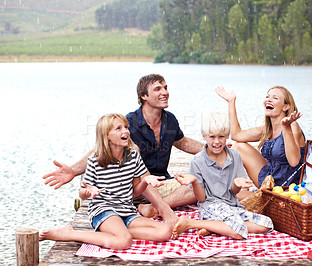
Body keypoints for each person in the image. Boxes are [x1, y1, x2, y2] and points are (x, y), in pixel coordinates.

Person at [42, 74, 204, 226]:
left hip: (160, 183)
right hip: (133, 187)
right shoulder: (130, 123)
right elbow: (102, 149)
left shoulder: (170, 120)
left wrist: (212, 148)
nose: (165, 92)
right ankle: (160, 207)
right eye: (158, 89)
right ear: (143, 96)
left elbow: (182, 142)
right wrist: (73, 170)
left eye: (165, 88)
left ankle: (152, 209)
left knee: (199, 187)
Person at [39, 114, 172, 249]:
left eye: (126, 127)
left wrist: (145, 182)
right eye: (118, 128)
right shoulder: (95, 160)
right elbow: (82, 193)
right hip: (104, 209)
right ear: (106, 135)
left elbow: (137, 192)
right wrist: (89, 191)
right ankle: (69, 234)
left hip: (127, 210)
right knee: (124, 242)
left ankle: (116, 233)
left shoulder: (134, 157)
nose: (125, 131)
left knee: (165, 231)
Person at [172, 112, 273, 240]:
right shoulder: (197, 161)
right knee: (238, 232)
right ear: (204, 136)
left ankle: (214, 227)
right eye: (212, 137)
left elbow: (233, 192)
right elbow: (201, 198)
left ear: (227, 135)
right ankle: (191, 223)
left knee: (266, 225)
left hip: (232, 206)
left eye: (221, 136)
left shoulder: (235, 155)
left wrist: (236, 185)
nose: (217, 142)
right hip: (210, 207)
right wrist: (194, 182)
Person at [215, 85, 306, 188]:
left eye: (275, 98)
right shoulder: (267, 129)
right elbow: (236, 135)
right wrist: (231, 102)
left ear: (285, 107)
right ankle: (221, 181)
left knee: (229, 194)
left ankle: (224, 186)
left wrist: (286, 127)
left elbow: (294, 162)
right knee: (238, 146)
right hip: (269, 179)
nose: (269, 100)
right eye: (267, 96)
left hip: (287, 186)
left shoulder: (292, 126)